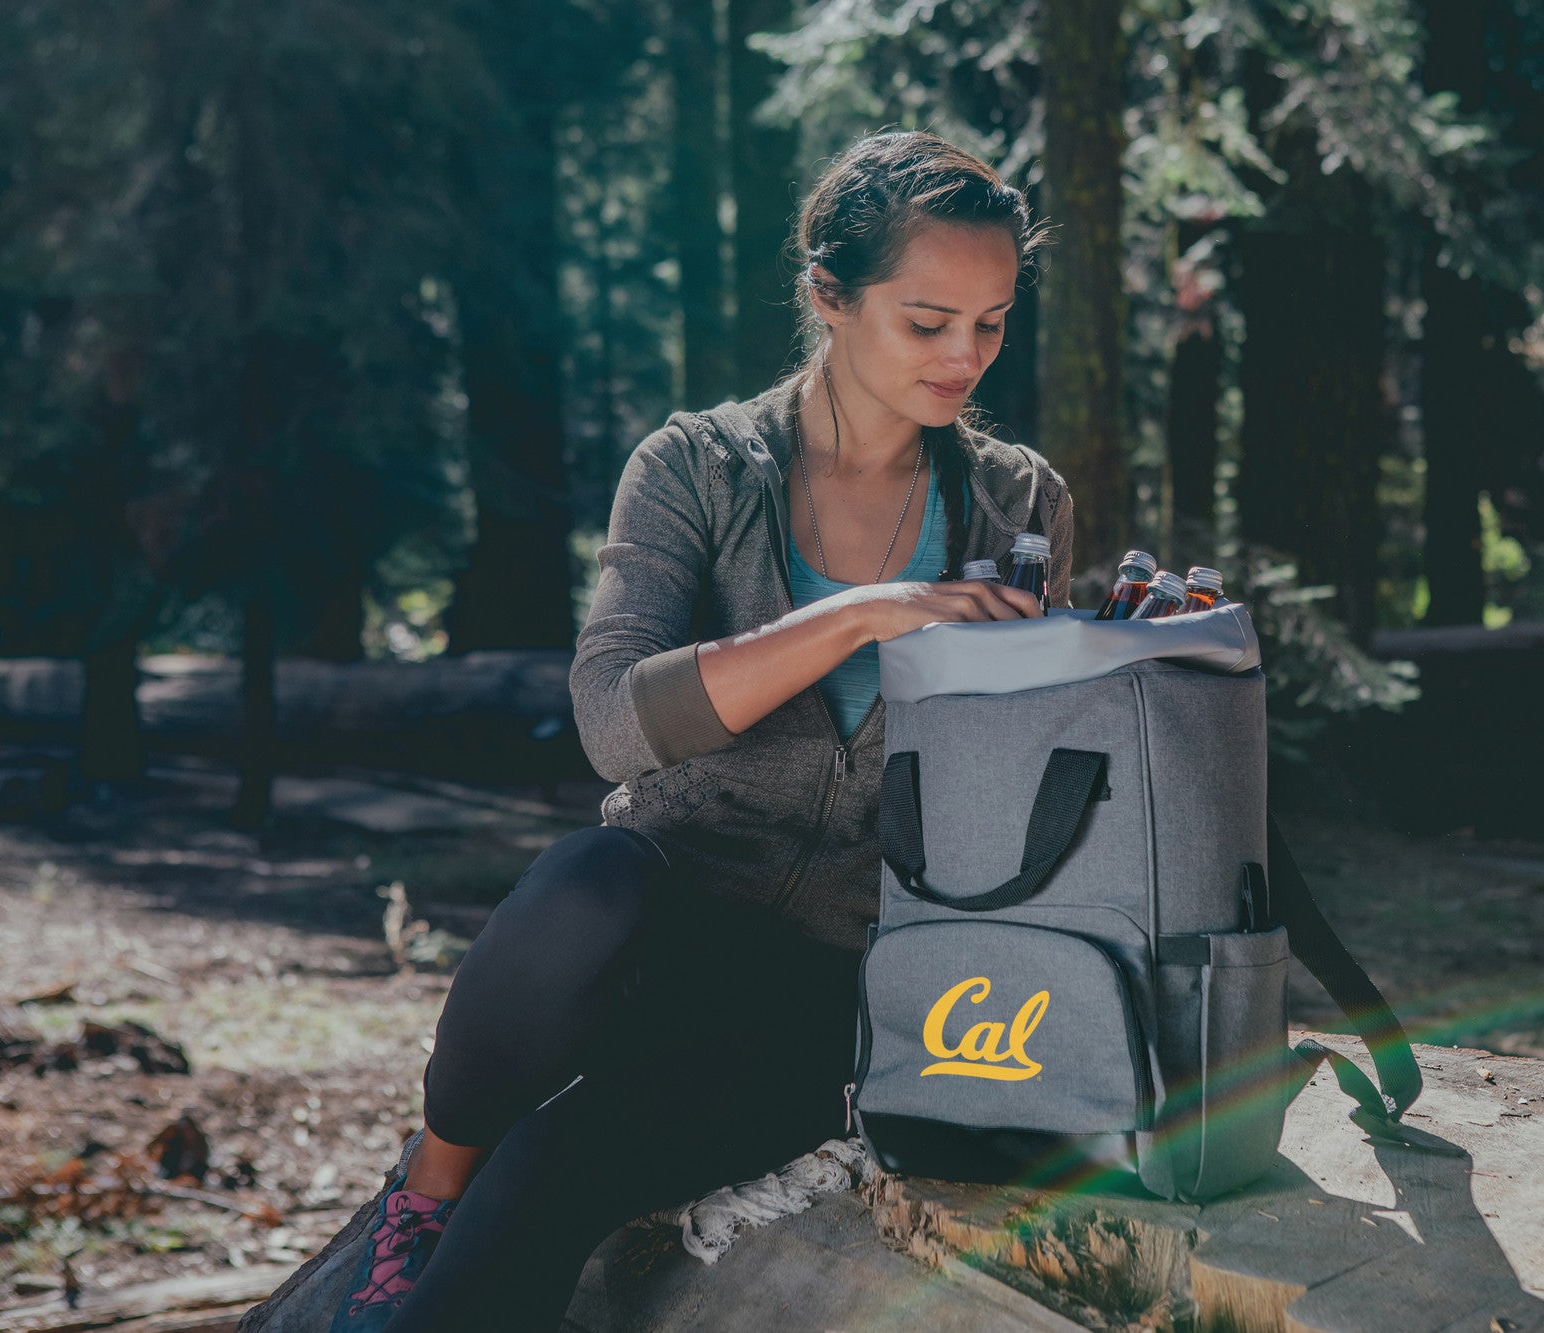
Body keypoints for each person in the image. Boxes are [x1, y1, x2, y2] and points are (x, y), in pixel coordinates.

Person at [242, 130, 1071, 1332]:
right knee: (587, 878)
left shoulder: (1016, 501)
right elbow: (611, 722)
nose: (963, 357)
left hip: (842, 991)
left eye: (989, 323)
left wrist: (1105, 665)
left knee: (554, 1173)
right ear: (827, 297)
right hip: (646, 934)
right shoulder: (695, 468)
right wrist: (859, 617)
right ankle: (422, 1192)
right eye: (926, 319)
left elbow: (1020, 781)